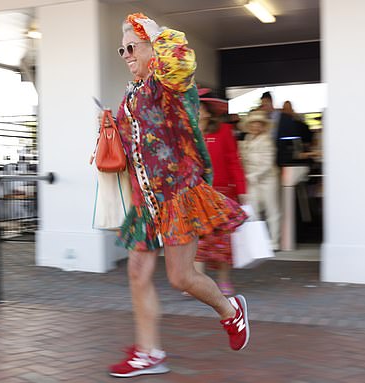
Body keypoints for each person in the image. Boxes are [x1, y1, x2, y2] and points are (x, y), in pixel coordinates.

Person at [107, 13, 249, 378]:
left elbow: (181, 60)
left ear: (151, 47)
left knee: (180, 277)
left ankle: (231, 310)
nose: (125, 54)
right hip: (145, 201)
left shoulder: (170, 82)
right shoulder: (132, 92)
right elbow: (137, 143)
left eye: (131, 47)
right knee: (137, 271)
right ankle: (148, 352)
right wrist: (109, 130)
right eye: (121, 48)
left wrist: (156, 33)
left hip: (176, 195)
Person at [194, 95, 247, 296]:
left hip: (222, 194)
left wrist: (242, 190)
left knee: (222, 242)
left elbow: (234, 161)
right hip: (196, 195)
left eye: (199, 107)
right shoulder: (187, 133)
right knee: (197, 241)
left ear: (208, 111)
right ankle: (197, 283)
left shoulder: (224, 131)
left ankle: (224, 281)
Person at [238, 111, 281, 250]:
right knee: (253, 210)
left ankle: (274, 241)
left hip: (268, 179)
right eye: (253, 123)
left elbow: (268, 163)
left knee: (271, 210)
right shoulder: (247, 139)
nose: (255, 126)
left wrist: (253, 175)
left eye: (258, 124)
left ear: (262, 126)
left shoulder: (267, 140)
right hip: (252, 179)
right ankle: (258, 241)